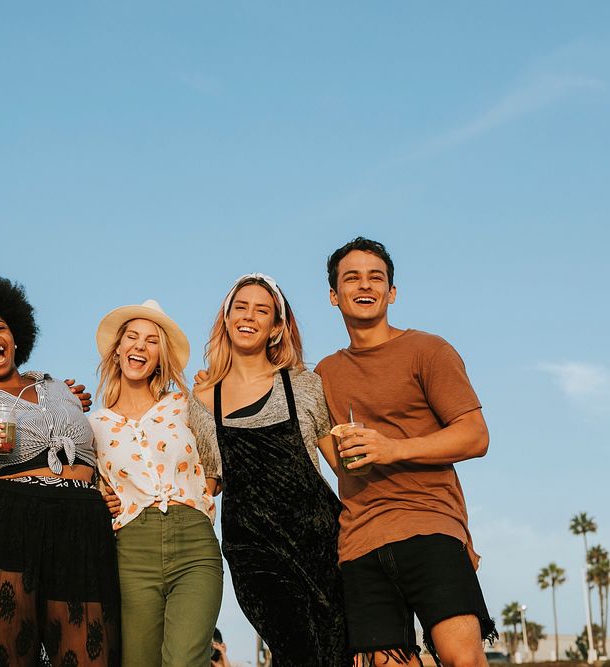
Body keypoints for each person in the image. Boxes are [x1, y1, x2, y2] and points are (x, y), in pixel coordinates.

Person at [314, 237, 495, 667]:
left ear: (391, 292)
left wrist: (391, 449)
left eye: (376, 277)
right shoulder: (323, 374)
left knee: (461, 657)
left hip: (429, 525)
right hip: (359, 542)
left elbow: (475, 436)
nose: (365, 285)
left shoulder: (428, 350)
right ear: (333, 295)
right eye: (351, 277)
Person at [0, 272, 120, 667]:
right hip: (2, 527)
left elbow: (94, 452)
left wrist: (102, 489)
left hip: (79, 528)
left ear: (16, 338)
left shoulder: (64, 391)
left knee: (89, 654)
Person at [188, 273, 350, 667]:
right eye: (240, 308)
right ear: (226, 320)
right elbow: (208, 481)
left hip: (321, 543)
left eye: (262, 310)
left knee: (335, 653)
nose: (249, 316)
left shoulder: (305, 386)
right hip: (253, 550)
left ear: (277, 327)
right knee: (296, 648)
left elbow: (344, 469)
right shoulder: (202, 398)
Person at [90, 300, 223, 667]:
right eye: (132, 337)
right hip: (131, 549)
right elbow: (85, 485)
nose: (139, 346)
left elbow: (216, 460)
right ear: (117, 350)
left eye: (151, 341)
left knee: (184, 660)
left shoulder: (185, 403)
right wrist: (97, 499)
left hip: (194, 543)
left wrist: (200, 494)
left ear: (160, 356)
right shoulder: (93, 424)